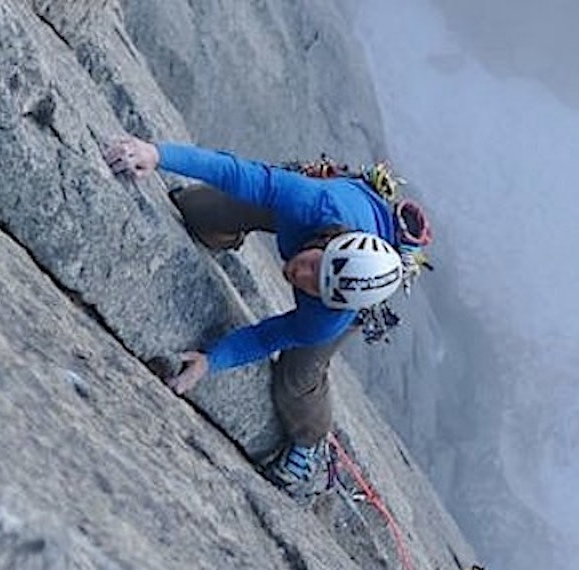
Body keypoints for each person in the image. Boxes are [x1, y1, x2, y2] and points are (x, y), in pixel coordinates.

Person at [103, 135, 406, 496]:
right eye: (314, 264)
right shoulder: (313, 203)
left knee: (297, 378)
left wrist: (212, 361)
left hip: (346, 274)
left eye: (316, 286)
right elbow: (238, 172)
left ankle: (310, 442)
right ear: (327, 242)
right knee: (199, 210)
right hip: (317, 214)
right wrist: (157, 154)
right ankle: (224, 232)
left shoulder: (329, 315)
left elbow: (269, 336)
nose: (301, 276)